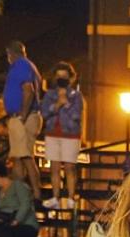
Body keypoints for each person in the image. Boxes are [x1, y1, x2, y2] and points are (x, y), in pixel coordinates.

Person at [40, 61, 85, 210]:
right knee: (54, 166)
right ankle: (55, 197)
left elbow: (77, 115)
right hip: (53, 133)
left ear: (71, 78)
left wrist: (66, 104)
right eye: (58, 76)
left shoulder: (76, 96)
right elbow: (45, 113)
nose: (61, 79)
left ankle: (71, 197)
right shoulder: (49, 95)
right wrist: (56, 105)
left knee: (70, 167)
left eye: (64, 76)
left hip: (70, 134)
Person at [3, 40, 44, 204]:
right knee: (19, 157)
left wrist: (22, 115)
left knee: (25, 156)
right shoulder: (30, 66)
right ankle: (20, 193)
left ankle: (35, 194)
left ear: (10, 54)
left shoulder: (20, 66)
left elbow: (28, 90)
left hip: (23, 118)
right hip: (28, 117)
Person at [0, 159, 39, 237]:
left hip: (24, 225)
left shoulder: (18, 186)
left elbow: (25, 204)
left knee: (6, 233)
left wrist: (16, 220)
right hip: (4, 224)